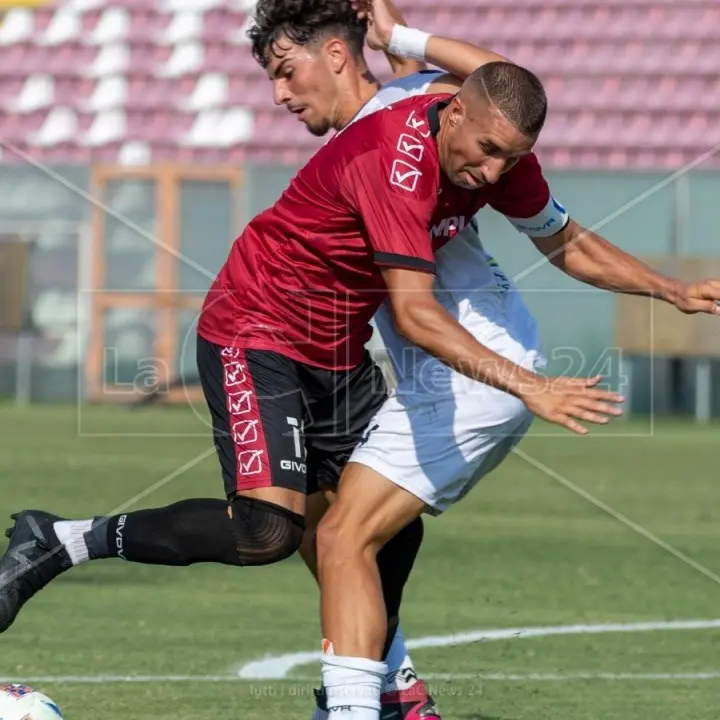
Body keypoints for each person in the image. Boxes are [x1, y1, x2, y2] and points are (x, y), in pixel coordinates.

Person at [306, 3, 720, 719]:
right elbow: (463, 72)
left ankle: (373, 705)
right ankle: (396, 691)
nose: (491, 172)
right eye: (487, 150)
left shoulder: (442, 135)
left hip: (477, 378)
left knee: (340, 538)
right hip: (476, 370)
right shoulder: (407, 111)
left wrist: (670, 289)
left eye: (506, 155)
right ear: (450, 111)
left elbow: (565, 241)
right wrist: (397, 34)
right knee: (330, 526)